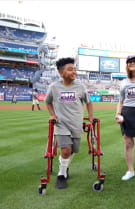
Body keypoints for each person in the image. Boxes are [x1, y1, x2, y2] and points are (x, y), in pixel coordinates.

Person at [45, 57, 94, 189]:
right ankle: (61, 176)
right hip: (61, 124)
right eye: (70, 69)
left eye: (74, 69)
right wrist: (53, 115)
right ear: (61, 73)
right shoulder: (54, 87)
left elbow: (88, 102)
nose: (74, 72)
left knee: (72, 150)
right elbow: (48, 102)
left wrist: (90, 116)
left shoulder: (80, 86)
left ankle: (64, 167)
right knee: (65, 149)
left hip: (76, 124)